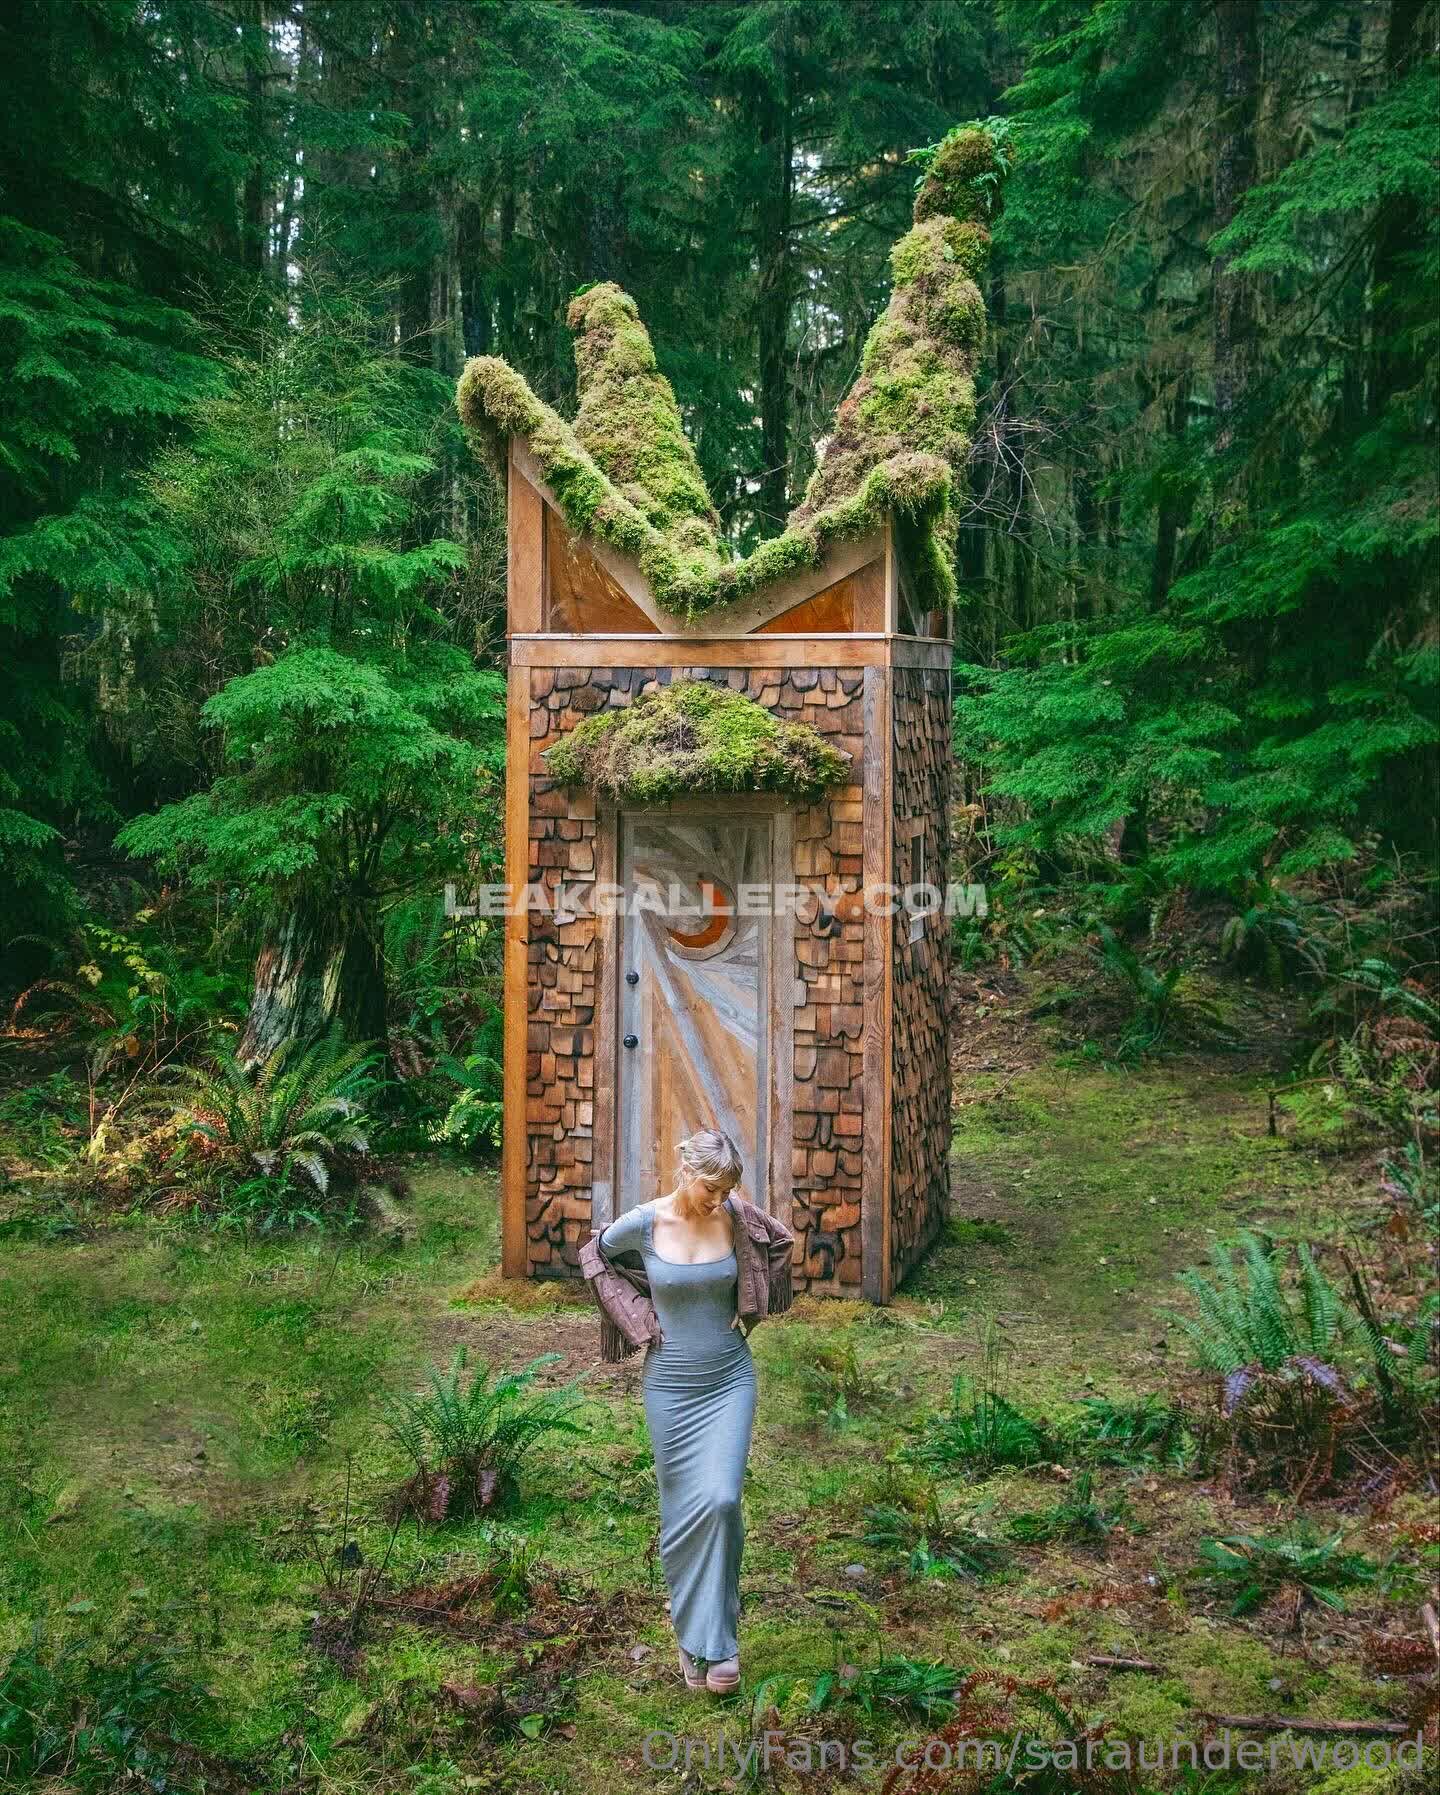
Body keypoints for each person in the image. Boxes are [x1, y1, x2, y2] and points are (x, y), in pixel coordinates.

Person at [580, 1128, 795, 1694]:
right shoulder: (644, 1224)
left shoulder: (736, 1217)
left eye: (727, 1191)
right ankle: (690, 1630)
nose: (717, 1200)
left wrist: (753, 1300)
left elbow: (781, 1244)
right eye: (710, 1189)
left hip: (729, 1379)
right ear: (685, 1172)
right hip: (671, 1388)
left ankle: (719, 1641)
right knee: (682, 1512)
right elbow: (595, 1257)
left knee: (722, 1500)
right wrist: (635, 1314)